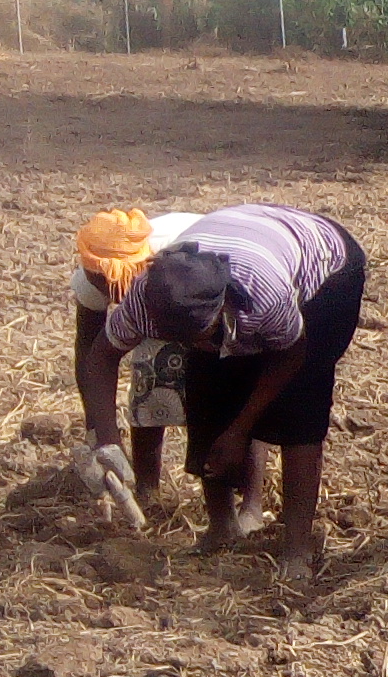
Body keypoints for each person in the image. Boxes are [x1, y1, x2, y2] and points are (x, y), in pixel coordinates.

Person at [85, 204, 366, 580]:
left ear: (221, 312)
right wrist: (107, 441)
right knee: (205, 388)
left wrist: (240, 429)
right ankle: (222, 527)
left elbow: (290, 356)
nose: (195, 345)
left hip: (326, 269)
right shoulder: (147, 297)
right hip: (244, 247)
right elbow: (100, 358)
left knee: (300, 407)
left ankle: (297, 548)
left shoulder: (265, 298)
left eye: (200, 336)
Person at [73, 206, 254, 527]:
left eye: (112, 284)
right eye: (100, 283)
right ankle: (147, 490)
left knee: (226, 390)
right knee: (150, 378)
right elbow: (91, 351)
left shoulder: (170, 259)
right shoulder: (93, 275)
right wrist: (99, 434)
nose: (106, 291)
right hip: (156, 306)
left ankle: (249, 499)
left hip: (211, 293)